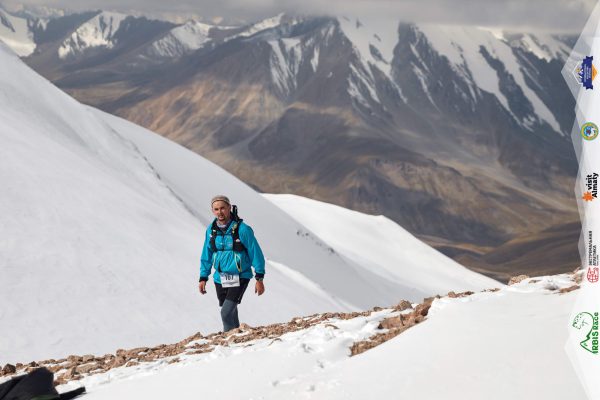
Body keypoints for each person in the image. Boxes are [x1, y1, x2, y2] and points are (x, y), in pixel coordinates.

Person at [198, 195, 266, 332]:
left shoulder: (243, 229)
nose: (220, 212)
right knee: (230, 311)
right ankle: (237, 337)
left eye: (223, 208)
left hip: (240, 276)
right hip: (220, 278)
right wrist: (203, 277)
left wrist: (259, 277)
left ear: (230, 208)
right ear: (212, 211)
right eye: (216, 209)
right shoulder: (211, 230)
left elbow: (255, 252)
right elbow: (207, 254)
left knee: (226, 312)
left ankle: (228, 342)